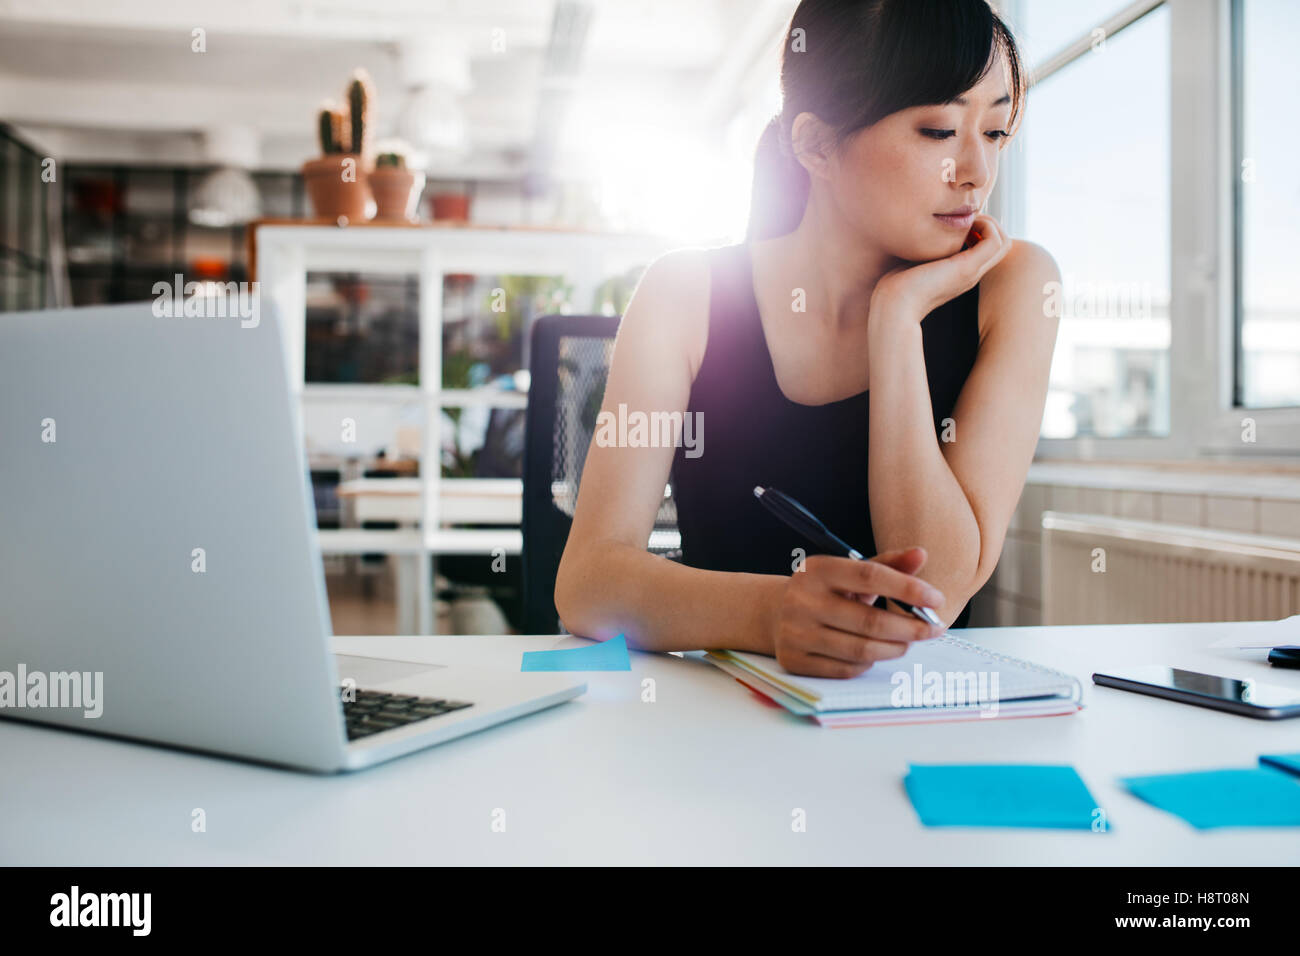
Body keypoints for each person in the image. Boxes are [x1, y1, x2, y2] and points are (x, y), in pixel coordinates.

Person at [555, 0, 1060, 678]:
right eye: (939, 129)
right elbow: (587, 583)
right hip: (711, 722)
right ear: (816, 143)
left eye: (996, 131)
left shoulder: (1013, 283)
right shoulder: (684, 293)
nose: (976, 171)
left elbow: (934, 591)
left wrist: (897, 318)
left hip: (913, 728)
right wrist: (771, 612)